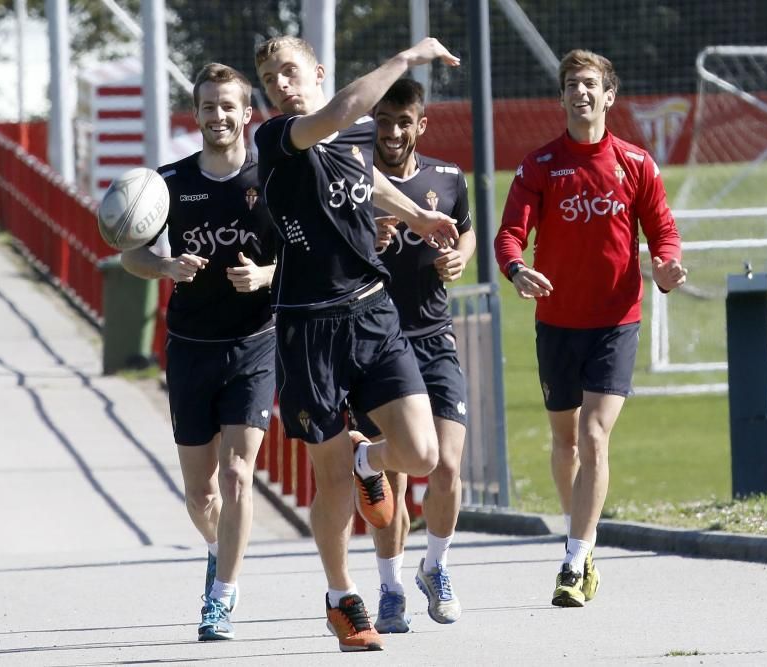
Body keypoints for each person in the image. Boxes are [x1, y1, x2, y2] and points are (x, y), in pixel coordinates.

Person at [253, 36, 459, 652]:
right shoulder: (278, 137)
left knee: (422, 455)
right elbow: (340, 115)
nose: (280, 85)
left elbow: (363, 179)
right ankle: (342, 598)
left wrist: (418, 218)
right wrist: (404, 59)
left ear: (315, 70)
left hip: (371, 311)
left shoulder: (354, 132)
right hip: (306, 326)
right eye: (269, 78)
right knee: (330, 477)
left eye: (289, 71)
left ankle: (372, 461)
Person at [494, 49, 688, 608]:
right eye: (571, 85)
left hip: (615, 321)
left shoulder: (636, 164)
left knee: (593, 435)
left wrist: (667, 267)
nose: (580, 92)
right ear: (561, 98)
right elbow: (510, 234)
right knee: (564, 443)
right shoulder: (539, 167)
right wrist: (516, 269)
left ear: (609, 96)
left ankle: (575, 560)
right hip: (556, 323)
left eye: (590, 84)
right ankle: (583, 535)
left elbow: (663, 232)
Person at [120, 63, 277, 641]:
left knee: (238, 476)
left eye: (228, 106)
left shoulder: (272, 179)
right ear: (197, 113)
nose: (219, 116)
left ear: (246, 113)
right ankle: (217, 548)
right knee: (201, 491)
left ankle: (222, 597)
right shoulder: (167, 182)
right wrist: (165, 265)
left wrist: (266, 275)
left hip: (254, 344)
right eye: (208, 106)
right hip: (189, 347)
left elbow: (306, 255)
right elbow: (129, 255)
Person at [347, 78, 476, 633]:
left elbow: (466, 233)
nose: (393, 132)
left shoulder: (446, 178)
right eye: (384, 120)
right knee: (397, 477)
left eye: (405, 121)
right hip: (376, 342)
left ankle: (437, 567)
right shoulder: (351, 182)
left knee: (446, 464)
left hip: (432, 336)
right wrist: (364, 242)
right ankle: (391, 587)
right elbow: (323, 253)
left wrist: (458, 259)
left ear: (422, 124)